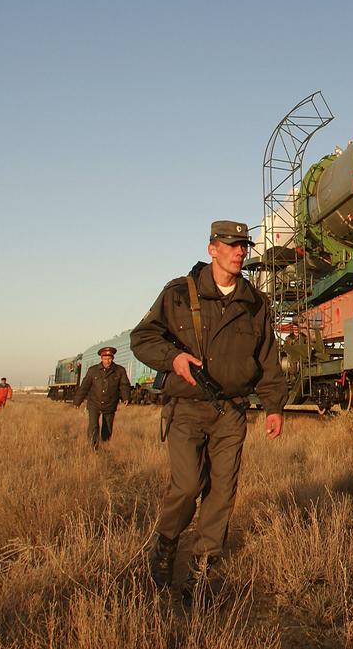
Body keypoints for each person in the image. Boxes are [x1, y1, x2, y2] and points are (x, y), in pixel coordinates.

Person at [131, 220, 287, 605]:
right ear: (211, 248)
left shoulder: (255, 302)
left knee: (222, 493)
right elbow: (142, 339)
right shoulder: (179, 294)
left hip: (231, 412)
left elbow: (267, 357)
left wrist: (273, 406)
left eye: (243, 245)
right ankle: (167, 544)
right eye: (230, 244)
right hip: (186, 408)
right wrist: (174, 357)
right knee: (186, 487)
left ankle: (200, 571)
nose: (239, 251)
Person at [73, 347, 131, 449]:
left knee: (107, 427)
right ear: (101, 358)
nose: (107, 361)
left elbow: (124, 385)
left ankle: (105, 445)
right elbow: (85, 386)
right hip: (94, 403)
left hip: (110, 403)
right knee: (93, 425)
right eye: (105, 358)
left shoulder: (119, 370)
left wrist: (126, 397)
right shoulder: (93, 370)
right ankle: (93, 447)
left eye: (109, 358)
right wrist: (77, 401)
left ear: (112, 358)